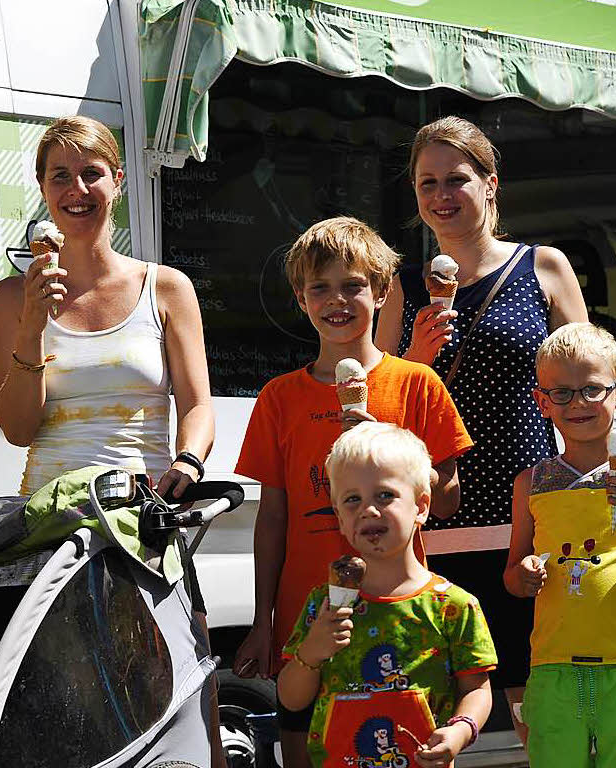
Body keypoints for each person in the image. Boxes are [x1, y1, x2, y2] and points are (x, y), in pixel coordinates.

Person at [0, 115, 222, 765]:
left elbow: (197, 404)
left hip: (145, 522)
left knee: (175, 693)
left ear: (117, 181)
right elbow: (16, 428)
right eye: (60, 175)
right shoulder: (8, 298)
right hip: (51, 528)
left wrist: (188, 460)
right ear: (41, 188)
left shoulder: (165, 287)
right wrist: (32, 326)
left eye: (91, 173)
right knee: (65, 709)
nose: (77, 188)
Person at [233, 216, 473, 767]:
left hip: (399, 613)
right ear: (300, 298)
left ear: (383, 292)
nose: (336, 300)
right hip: (306, 615)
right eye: (319, 287)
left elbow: (449, 496)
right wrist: (263, 620)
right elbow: (273, 517)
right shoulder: (279, 398)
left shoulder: (417, 383)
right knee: (305, 746)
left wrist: (382, 455)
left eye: (353, 285)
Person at [375, 115, 588, 726]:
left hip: (529, 505)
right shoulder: (403, 284)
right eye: (427, 184)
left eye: (457, 180)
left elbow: (586, 371)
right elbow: (383, 402)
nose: (442, 196)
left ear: (491, 184)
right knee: (438, 700)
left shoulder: (541, 265)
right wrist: (415, 358)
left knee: (534, 691)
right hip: (436, 508)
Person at [279, 423, 496, 768]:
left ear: (421, 507)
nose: (368, 510)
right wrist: (311, 652)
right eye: (352, 500)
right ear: (338, 516)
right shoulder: (326, 602)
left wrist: (460, 730)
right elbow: (291, 699)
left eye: (384, 495)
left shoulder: (453, 605)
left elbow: (476, 690)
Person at [505, 322, 616, 767]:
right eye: (562, 393)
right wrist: (527, 574)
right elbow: (512, 577)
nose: (578, 404)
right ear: (541, 401)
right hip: (552, 667)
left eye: (592, 390)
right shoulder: (530, 483)